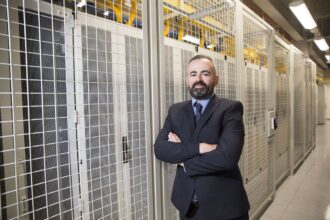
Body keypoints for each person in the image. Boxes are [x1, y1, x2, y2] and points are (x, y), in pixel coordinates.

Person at [154, 54, 250, 220]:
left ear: (216, 79)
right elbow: (160, 149)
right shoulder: (176, 111)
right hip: (188, 207)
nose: (198, 79)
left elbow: (227, 157)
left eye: (205, 74)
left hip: (225, 208)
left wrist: (183, 160)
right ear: (187, 80)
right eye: (193, 74)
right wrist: (200, 148)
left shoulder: (230, 109)